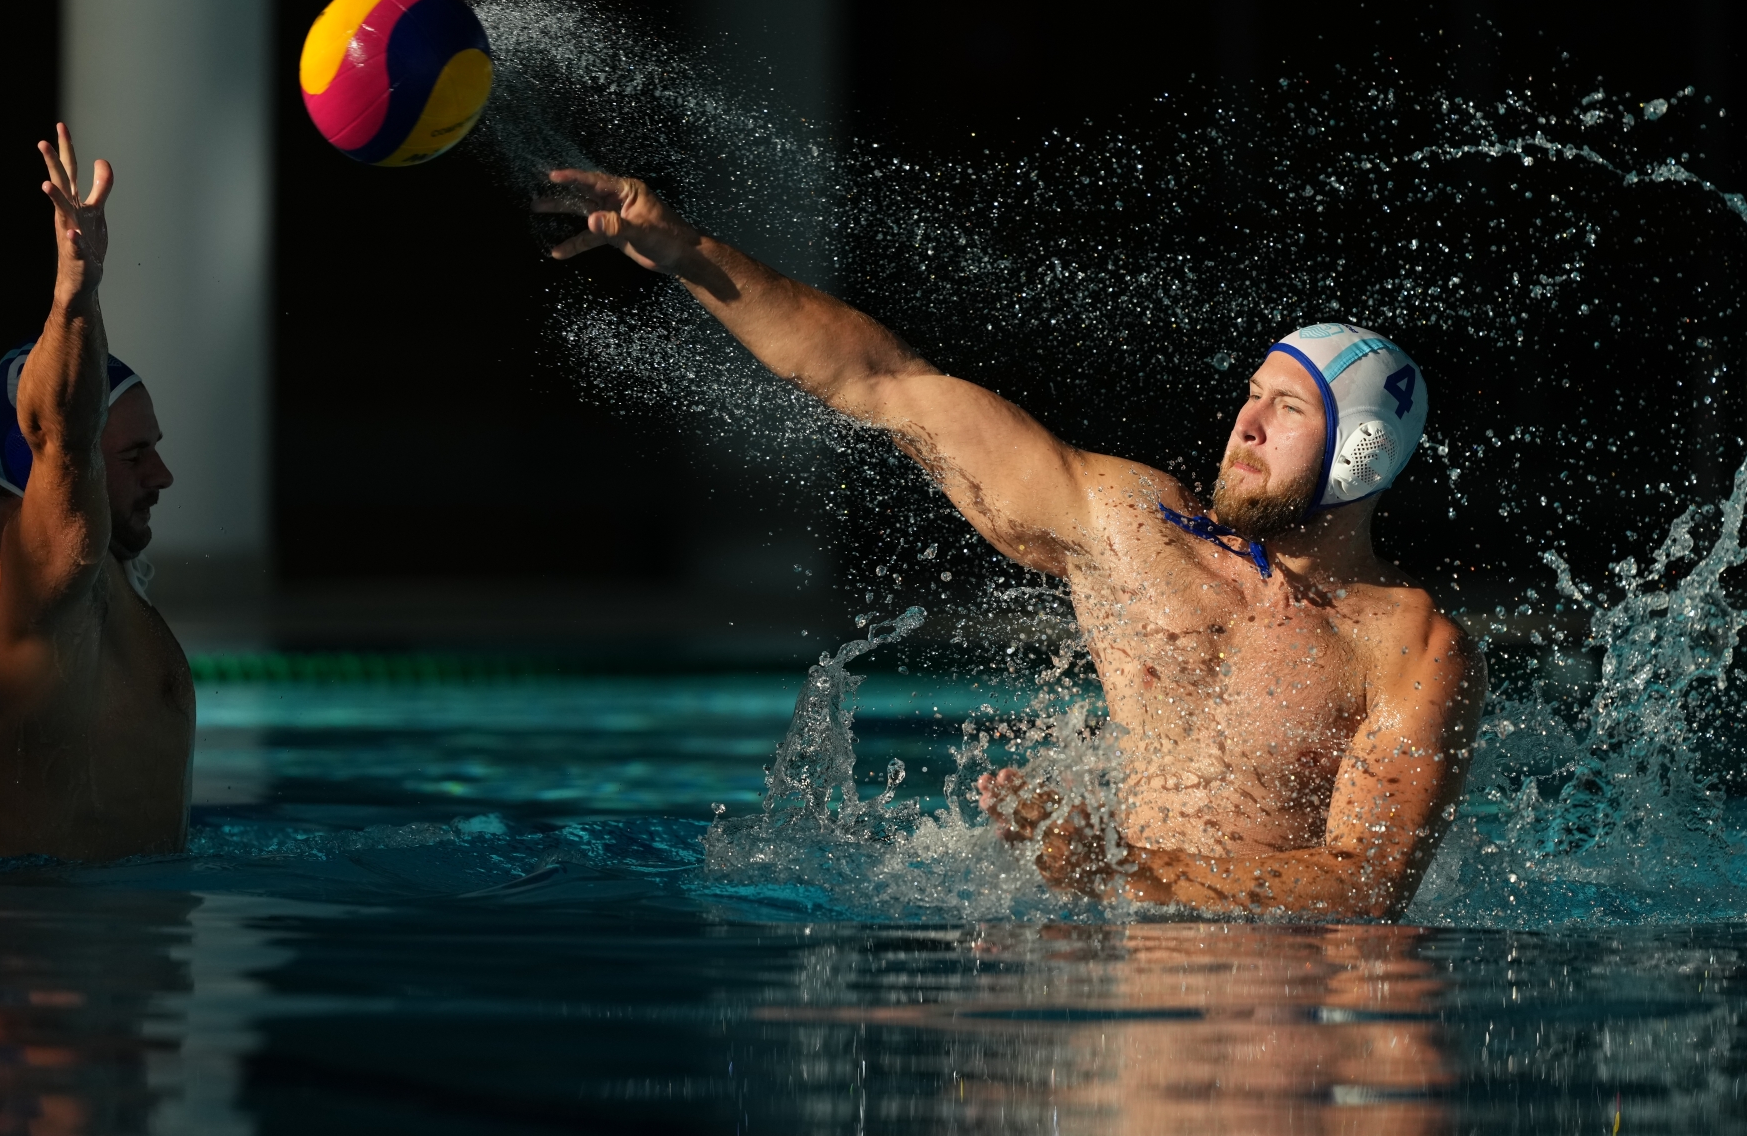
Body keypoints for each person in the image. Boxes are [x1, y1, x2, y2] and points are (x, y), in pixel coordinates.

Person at [538, 169, 1486, 918]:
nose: (1245, 424)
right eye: (1251, 394)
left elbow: (1362, 891)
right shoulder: (1133, 527)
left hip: (1280, 1027)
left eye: (1287, 409)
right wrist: (683, 247)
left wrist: (1114, 873)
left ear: (1362, 455)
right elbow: (886, 383)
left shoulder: (1410, 650)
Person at [0, 125, 192, 867]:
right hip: (47, 970)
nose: (162, 476)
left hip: (110, 954)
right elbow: (63, 434)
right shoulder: (30, 593)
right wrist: (75, 295)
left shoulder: (104, 594)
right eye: (134, 454)